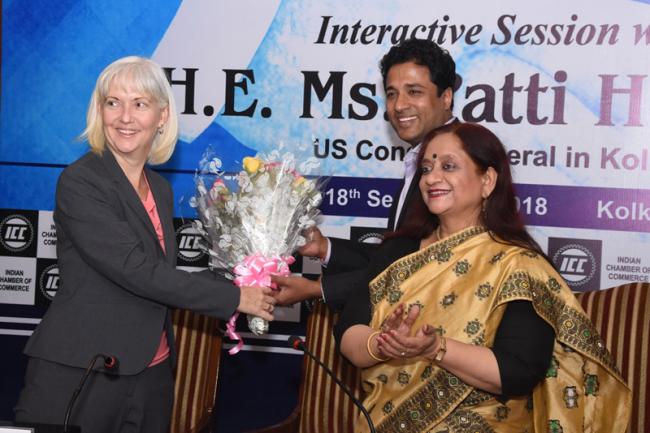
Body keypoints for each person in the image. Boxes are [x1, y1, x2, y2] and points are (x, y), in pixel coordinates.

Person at [13, 56, 276, 432]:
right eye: (113, 102)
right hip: (83, 371)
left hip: (152, 374)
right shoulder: (81, 181)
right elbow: (135, 270)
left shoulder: (160, 189)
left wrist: (247, 276)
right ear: (99, 111)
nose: (125, 117)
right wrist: (236, 298)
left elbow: (161, 275)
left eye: (139, 104)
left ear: (162, 115)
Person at [334, 122, 631, 432]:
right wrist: (382, 345)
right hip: (386, 422)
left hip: (484, 422)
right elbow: (348, 332)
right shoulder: (397, 251)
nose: (432, 178)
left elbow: (519, 372)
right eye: (426, 169)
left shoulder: (518, 264)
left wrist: (435, 348)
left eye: (448, 166)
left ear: (487, 180)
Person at [273, 38, 457, 311]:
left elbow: (427, 269)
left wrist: (317, 289)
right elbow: (393, 261)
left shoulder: (460, 162)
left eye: (414, 92)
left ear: (446, 97)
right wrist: (324, 248)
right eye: (392, 94)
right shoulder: (419, 158)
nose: (399, 105)